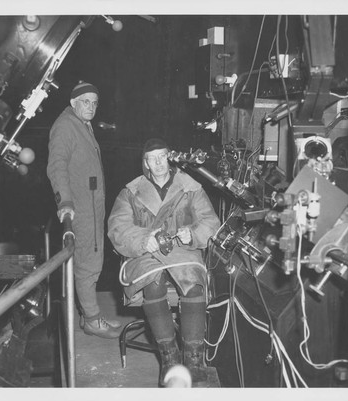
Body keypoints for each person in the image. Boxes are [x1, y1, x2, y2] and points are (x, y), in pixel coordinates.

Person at [107, 138, 221, 387]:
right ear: (145, 162)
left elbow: (211, 222)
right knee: (153, 284)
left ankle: (193, 358)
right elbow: (117, 227)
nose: (158, 163)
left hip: (182, 250)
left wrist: (193, 233)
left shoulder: (191, 187)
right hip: (145, 253)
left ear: (169, 157)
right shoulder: (131, 191)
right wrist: (141, 239)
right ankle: (169, 357)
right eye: (152, 158)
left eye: (162, 156)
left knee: (194, 285)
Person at [47, 81, 121, 339]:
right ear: (73, 103)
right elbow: (56, 166)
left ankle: (87, 313)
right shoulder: (65, 127)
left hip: (91, 203)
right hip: (81, 205)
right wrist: (65, 203)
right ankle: (91, 319)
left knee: (91, 259)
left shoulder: (80, 123)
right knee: (88, 262)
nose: (91, 107)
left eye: (94, 102)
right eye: (85, 102)